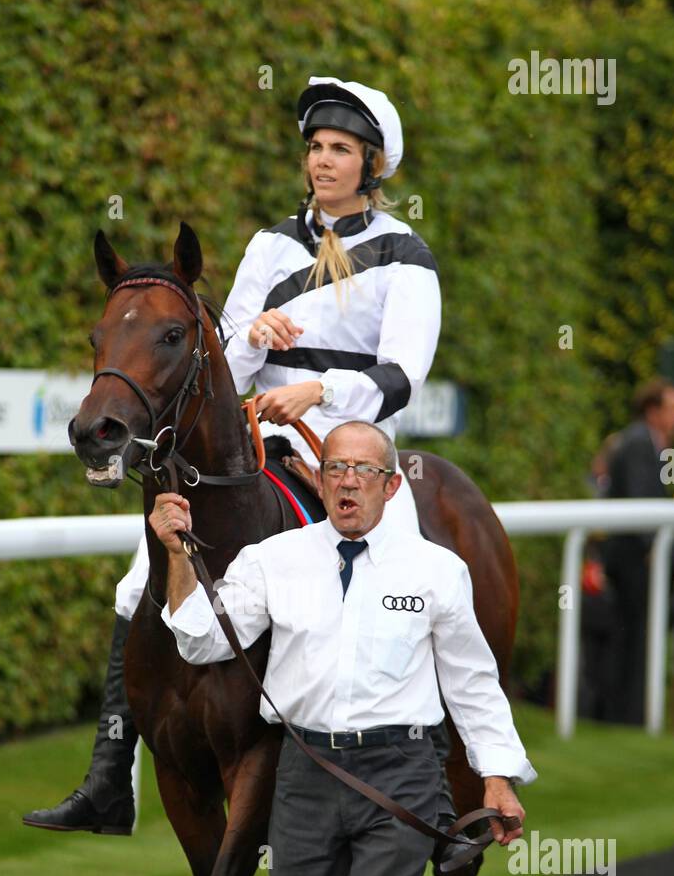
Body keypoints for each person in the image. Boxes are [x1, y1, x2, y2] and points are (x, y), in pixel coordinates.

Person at [23, 75, 442, 836]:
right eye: (315, 147)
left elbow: (402, 376)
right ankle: (109, 776)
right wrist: (248, 340)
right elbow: (221, 372)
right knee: (133, 585)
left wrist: (314, 392)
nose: (322, 161)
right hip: (254, 445)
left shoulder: (405, 256)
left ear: (371, 165)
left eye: (340, 150)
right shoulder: (269, 245)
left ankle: (424, 787)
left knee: (402, 570)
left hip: (351, 448)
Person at [149, 419, 536, 876]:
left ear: (392, 486)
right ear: (319, 481)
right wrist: (176, 559)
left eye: (364, 470)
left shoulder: (436, 571)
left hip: (400, 777)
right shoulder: (273, 559)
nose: (349, 481)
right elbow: (199, 639)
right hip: (304, 776)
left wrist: (496, 774)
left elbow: (472, 683)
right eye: (336, 469)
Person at [601, 378, 674, 725]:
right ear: (653, 410)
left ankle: (635, 712)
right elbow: (637, 499)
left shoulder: (655, 444)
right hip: (632, 559)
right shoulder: (636, 443)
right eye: (671, 407)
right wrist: (652, 549)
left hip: (643, 558)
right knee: (635, 635)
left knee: (641, 634)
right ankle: (628, 715)